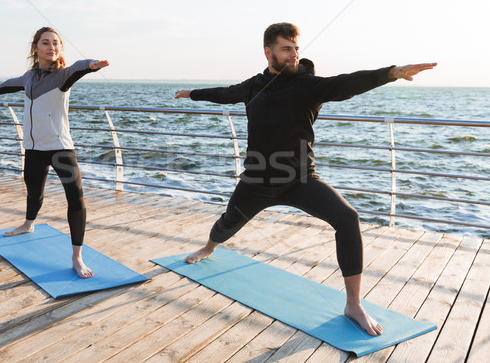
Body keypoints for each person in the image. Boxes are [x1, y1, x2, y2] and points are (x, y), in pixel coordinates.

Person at [175, 22, 436, 336]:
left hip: (299, 179)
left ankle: (353, 304)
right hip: (257, 178)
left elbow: (346, 83)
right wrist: (192, 93)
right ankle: (209, 247)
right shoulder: (253, 86)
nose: (294, 55)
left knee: (348, 218)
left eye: (296, 48)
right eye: (287, 49)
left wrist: (391, 73)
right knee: (228, 222)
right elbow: (224, 94)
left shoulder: (307, 85)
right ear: (268, 52)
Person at [0, 27, 109, 279]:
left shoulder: (62, 76)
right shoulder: (29, 77)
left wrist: (92, 65)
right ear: (35, 47)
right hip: (33, 148)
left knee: (76, 199)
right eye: (45, 43)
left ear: (60, 48)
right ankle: (28, 225)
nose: (51, 47)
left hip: (60, 148)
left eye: (56, 43)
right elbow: (11, 84)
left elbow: (78, 67)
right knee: (33, 192)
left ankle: (77, 257)